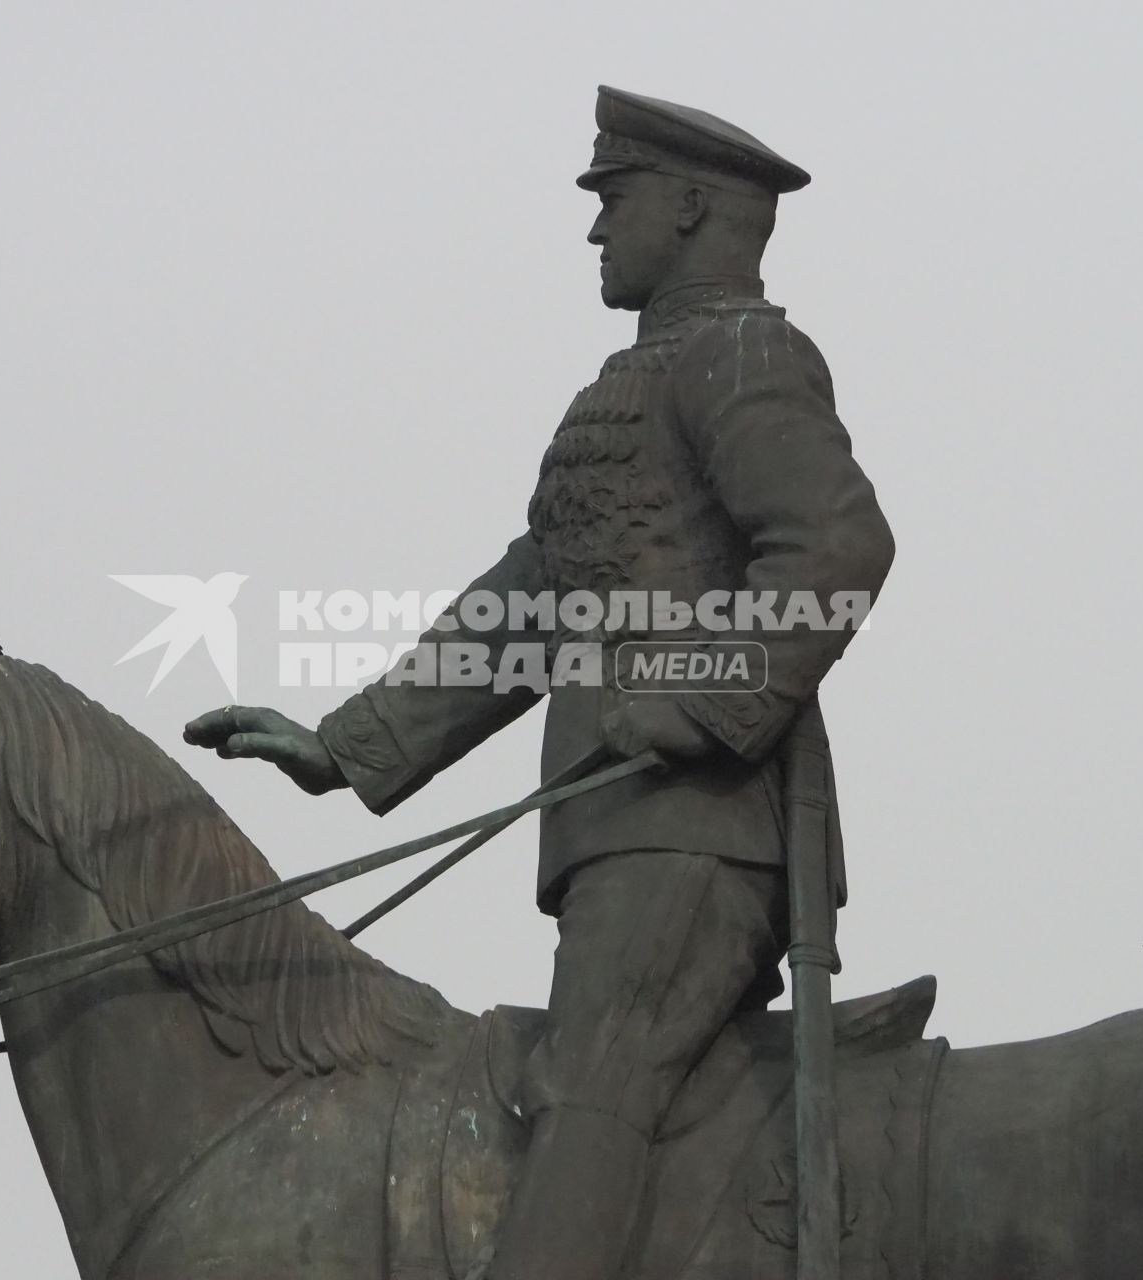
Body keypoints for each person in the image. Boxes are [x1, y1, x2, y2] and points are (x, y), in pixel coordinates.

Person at [185, 84, 894, 1280]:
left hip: (697, 827)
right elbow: (538, 592)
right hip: (622, 823)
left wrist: (701, 695)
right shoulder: (640, 380)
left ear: (685, 205)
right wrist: (353, 744)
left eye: (611, 199)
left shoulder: (745, 353)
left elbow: (836, 544)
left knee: (594, 1090)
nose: (593, 228)